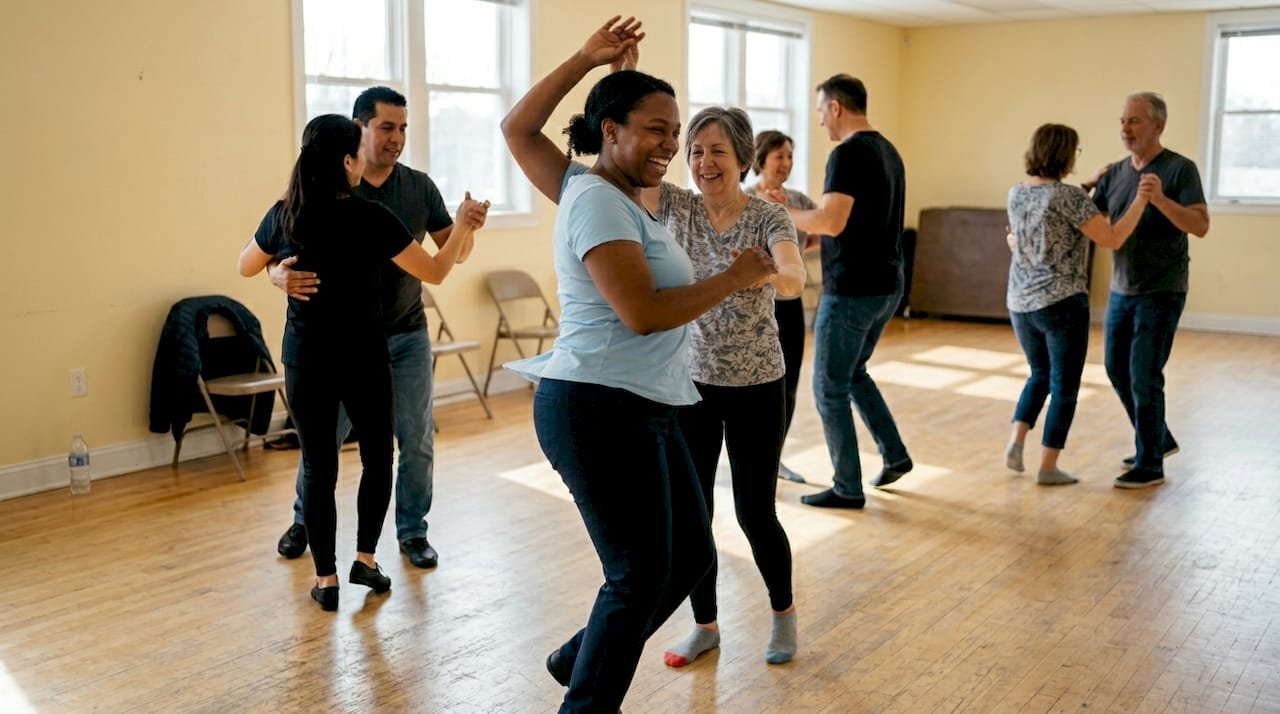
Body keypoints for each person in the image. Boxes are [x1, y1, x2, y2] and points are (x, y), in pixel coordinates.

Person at [505, 23, 807, 671]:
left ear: (743, 158)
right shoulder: (633, 199)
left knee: (728, 528)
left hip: (719, 387)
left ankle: (775, 616)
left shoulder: (755, 213)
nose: (691, 155)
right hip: (654, 392)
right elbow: (552, 139)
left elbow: (792, 274)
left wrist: (770, 274)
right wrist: (597, 68)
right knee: (656, 563)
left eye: (706, 146)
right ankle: (664, 641)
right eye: (683, 143)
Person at [238, 114, 483, 610]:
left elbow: (245, 264)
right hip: (364, 356)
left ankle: (325, 580)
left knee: (318, 465)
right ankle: (365, 560)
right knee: (377, 458)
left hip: (305, 357)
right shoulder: (371, 216)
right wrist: (461, 226)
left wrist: (276, 273)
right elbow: (436, 271)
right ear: (349, 162)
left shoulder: (285, 214)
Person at [762, 74, 912, 509]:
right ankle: (895, 455)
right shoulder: (889, 151)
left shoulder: (847, 153)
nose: (821, 122)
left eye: (820, 112)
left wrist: (780, 210)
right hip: (888, 285)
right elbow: (846, 226)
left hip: (853, 289)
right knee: (854, 373)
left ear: (835, 108)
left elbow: (830, 222)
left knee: (829, 387)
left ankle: (847, 486)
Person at [1004, 123, 1148, 485]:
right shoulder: (1068, 196)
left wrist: (1087, 186)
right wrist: (1141, 201)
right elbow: (1111, 238)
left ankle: (1016, 441)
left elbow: (1050, 212)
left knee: (1039, 374)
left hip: (1021, 302)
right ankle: (1048, 467)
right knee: (1065, 387)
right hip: (1061, 304)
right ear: (1065, 154)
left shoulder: (1016, 193)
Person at [1085, 92, 1209, 489]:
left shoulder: (1179, 169)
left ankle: (1150, 463)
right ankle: (1158, 439)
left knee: (1143, 374)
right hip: (1122, 289)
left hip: (1163, 289)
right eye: (1123, 120)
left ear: (1158, 125)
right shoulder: (1115, 173)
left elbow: (1200, 225)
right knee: (1116, 369)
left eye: (1134, 121)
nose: (1125, 128)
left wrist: (1161, 200)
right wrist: (1086, 184)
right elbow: (1092, 219)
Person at [746, 130, 823, 484]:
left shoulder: (799, 200)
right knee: (752, 386)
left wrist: (792, 258)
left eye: (790, 156)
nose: (787, 163)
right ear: (761, 159)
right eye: (780, 156)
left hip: (790, 305)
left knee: (787, 385)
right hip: (754, 308)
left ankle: (773, 459)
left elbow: (818, 234)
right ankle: (749, 456)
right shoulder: (745, 199)